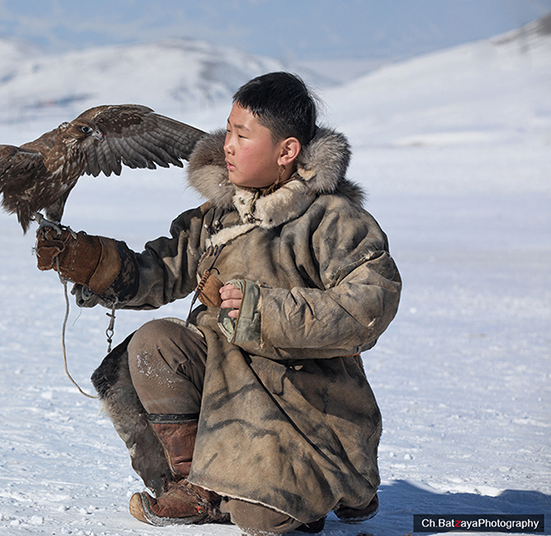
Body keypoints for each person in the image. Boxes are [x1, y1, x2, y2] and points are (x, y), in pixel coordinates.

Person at [35, 72, 401, 535]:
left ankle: (321, 486)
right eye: (227, 131)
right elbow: (161, 269)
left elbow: (369, 304)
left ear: (287, 151)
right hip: (226, 382)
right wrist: (92, 263)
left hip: (304, 400)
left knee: (260, 518)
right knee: (156, 343)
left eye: (242, 136)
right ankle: (195, 486)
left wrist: (263, 314)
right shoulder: (218, 217)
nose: (226, 145)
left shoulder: (333, 220)